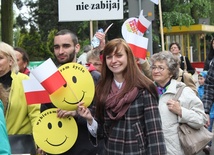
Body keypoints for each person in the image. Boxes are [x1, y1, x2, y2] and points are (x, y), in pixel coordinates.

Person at [78, 38, 167, 155]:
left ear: (128, 57)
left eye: (119, 55)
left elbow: (155, 133)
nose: (114, 61)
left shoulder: (144, 87)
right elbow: (100, 132)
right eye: (109, 57)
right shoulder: (101, 88)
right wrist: (90, 119)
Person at [40, 29, 101, 155]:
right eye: (57, 47)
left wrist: (77, 114)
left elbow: (102, 116)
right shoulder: (47, 78)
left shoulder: (93, 77)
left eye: (66, 46)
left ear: (77, 47)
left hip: (87, 149)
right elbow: (44, 114)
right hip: (57, 149)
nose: (61, 51)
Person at [150, 51, 207, 155]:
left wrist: (181, 111)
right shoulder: (146, 91)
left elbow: (201, 119)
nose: (156, 71)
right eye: (154, 67)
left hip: (175, 151)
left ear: (171, 72)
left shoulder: (183, 91)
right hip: (151, 149)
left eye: (160, 68)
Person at [0, 42, 40, 154]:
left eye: (0, 58)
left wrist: (40, 142)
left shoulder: (29, 80)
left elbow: (36, 115)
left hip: (21, 146)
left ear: (11, 61)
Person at [198, 70, 214, 154]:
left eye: (201, 78)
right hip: (208, 112)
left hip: (212, 110)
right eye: (199, 79)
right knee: (208, 128)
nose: (200, 81)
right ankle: (208, 145)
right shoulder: (199, 89)